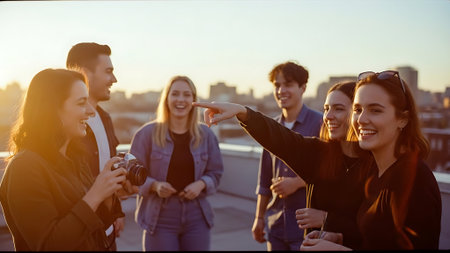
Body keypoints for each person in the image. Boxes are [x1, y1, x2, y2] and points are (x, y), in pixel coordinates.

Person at [194, 81, 370, 249]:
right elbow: (279, 138)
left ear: (358, 112)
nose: (328, 116)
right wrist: (242, 112)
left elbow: (376, 227)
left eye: (338, 109)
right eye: (326, 109)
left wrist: (326, 219)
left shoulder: (376, 163)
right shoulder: (319, 153)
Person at [300, 71, 442, 250]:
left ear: (403, 119)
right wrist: (340, 239)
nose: (361, 120)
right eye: (358, 110)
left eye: (375, 110)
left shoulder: (414, 180)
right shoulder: (376, 173)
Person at [0, 69, 128, 251]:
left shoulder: (74, 158)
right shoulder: (24, 168)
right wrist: (96, 194)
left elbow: (91, 224)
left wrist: (108, 198)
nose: (91, 111)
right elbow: (49, 245)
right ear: (53, 109)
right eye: (82, 103)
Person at [129, 75, 224, 251]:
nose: (181, 100)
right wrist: (155, 185)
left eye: (187, 95)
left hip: (197, 217)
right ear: (167, 99)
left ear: (194, 101)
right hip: (160, 217)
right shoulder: (146, 134)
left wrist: (201, 184)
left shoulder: (207, 135)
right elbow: (133, 176)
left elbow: (216, 173)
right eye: (175, 94)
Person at [66, 42, 136, 249]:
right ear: (84, 73)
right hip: (82, 237)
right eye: (108, 72)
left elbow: (107, 171)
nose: (114, 79)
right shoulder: (68, 127)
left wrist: (117, 212)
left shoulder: (105, 118)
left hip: (107, 233)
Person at [252, 61, 322, 251]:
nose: (281, 90)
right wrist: (259, 218)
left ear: (303, 88)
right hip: (275, 226)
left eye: (288, 84)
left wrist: (296, 183)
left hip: (307, 231)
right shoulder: (270, 128)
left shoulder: (321, 123)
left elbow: (330, 172)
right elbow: (264, 181)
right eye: (277, 85)